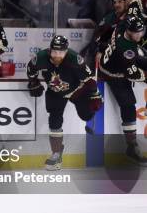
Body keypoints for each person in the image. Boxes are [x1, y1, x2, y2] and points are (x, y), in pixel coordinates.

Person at [27, 35, 102, 170]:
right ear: (50, 50)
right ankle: (56, 153)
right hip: (55, 92)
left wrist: (95, 96)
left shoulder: (75, 59)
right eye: (54, 51)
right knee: (54, 120)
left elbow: (89, 79)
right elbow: (31, 69)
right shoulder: (41, 58)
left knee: (86, 115)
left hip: (76, 91)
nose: (57, 55)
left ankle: (89, 115)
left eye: (61, 52)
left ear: (66, 51)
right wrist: (33, 82)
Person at [98, 16, 147, 164]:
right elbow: (132, 74)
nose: (140, 35)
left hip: (114, 59)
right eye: (136, 32)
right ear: (129, 31)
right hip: (114, 74)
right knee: (128, 105)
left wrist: (101, 46)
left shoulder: (122, 26)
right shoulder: (126, 50)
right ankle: (131, 147)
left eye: (141, 31)